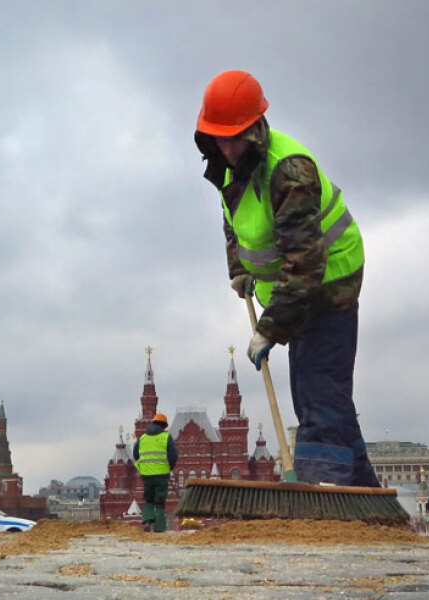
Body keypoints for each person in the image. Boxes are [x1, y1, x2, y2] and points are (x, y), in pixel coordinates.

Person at [194, 70, 378, 487]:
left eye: (235, 136)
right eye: (219, 137)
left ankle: (319, 494)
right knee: (322, 393)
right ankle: (370, 496)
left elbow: (305, 261)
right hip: (291, 291)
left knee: (317, 395)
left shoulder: (289, 171)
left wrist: (270, 329)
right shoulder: (229, 168)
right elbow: (235, 225)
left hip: (330, 284)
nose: (227, 146)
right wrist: (239, 268)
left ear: (255, 128)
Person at [133, 413, 178, 532]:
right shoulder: (166, 437)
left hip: (146, 474)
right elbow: (173, 456)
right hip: (161, 475)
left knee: (148, 499)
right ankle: (159, 528)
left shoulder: (142, 438)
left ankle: (147, 522)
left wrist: (142, 468)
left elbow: (135, 455)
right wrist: (169, 468)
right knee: (159, 501)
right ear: (164, 425)